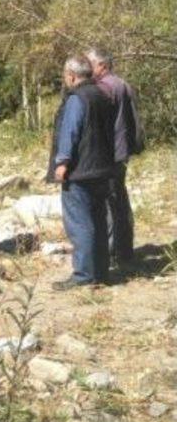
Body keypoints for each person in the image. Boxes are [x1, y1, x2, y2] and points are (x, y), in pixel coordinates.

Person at [47, 54, 116, 289]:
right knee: (98, 220)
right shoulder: (104, 95)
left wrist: (62, 162)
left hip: (80, 170)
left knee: (79, 223)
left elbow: (71, 132)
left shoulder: (77, 99)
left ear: (72, 75)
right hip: (103, 168)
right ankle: (101, 273)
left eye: (66, 75)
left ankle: (84, 275)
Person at [87, 46, 144, 268]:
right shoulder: (123, 85)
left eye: (90, 63)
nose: (88, 68)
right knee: (120, 199)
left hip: (109, 153)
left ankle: (112, 253)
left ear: (102, 65)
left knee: (108, 202)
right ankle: (124, 250)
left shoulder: (104, 88)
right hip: (122, 152)